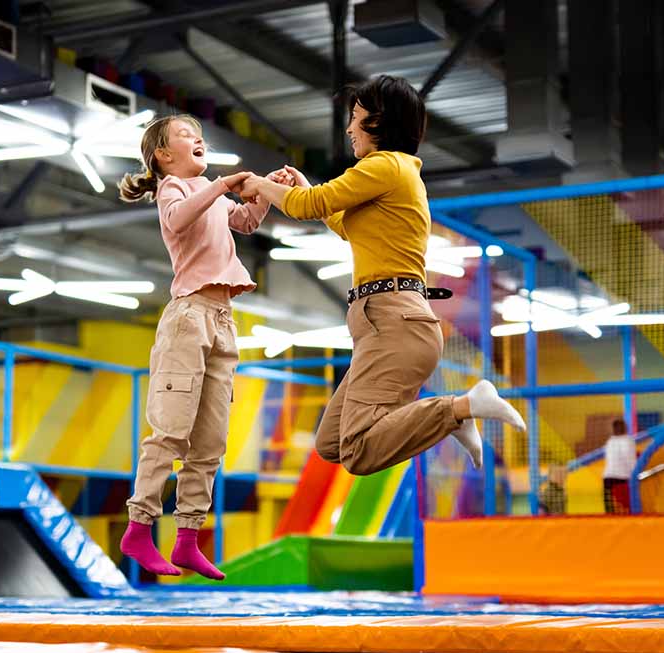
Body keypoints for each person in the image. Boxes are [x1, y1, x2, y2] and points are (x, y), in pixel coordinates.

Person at [238, 75, 525, 477]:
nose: (349, 128)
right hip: (389, 324)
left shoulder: (385, 165)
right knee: (332, 442)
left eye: (355, 117)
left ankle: (458, 408)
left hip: (393, 323)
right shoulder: (395, 174)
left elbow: (307, 205)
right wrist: (303, 188)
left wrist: (259, 185)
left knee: (357, 451)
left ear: (379, 122)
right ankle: (452, 418)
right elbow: (342, 222)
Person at [117, 114, 292, 579]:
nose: (197, 139)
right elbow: (177, 220)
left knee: (211, 440)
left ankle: (187, 537)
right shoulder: (172, 190)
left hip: (223, 318)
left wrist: (266, 192)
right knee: (171, 430)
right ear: (163, 155)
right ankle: (138, 529)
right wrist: (219, 186)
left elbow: (248, 222)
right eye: (185, 135)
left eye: (199, 135)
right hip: (188, 317)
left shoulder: (210, 197)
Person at [602, 417, 636, 514]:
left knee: (611, 508)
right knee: (624, 507)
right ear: (625, 428)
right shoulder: (628, 440)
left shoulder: (610, 441)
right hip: (622, 478)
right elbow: (630, 460)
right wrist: (635, 474)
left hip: (608, 477)